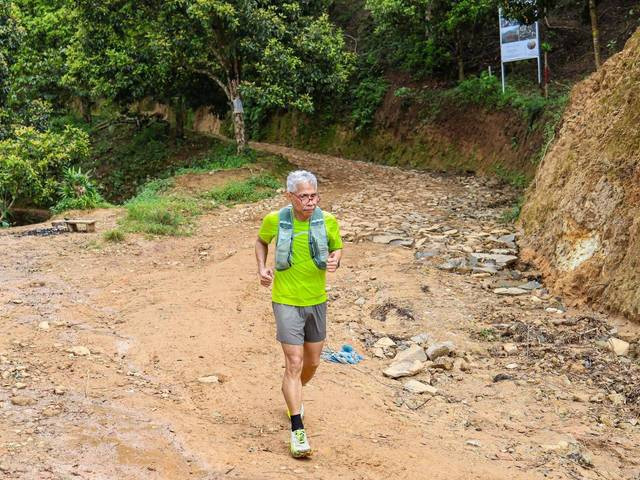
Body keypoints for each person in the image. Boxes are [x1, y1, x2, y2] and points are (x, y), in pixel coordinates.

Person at [255, 170, 343, 458]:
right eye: (303, 196)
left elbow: (337, 246)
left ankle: (293, 392)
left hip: (317, 300)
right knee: (294, 362)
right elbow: (261, 241)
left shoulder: (327, 220)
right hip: (285, 300)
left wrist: (336, 259)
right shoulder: (275, 220)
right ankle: (297, 429)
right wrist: (262, 268)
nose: (310, 201)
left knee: (312, 363)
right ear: (290, 196)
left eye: (313, 195)